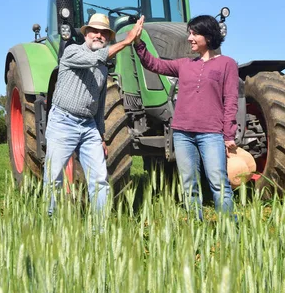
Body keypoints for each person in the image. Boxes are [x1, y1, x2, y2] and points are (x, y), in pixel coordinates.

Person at [133, 14, 239, 220]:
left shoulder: (227, 64)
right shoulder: (184, 64)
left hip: (211, 133)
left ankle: (228, 227)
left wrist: (229, 135)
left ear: (208, 36)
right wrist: (138, 42)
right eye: (189, 33)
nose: (189, 38)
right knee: (189, 182)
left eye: (194, 34)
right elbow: (154, 65)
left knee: (218, 181)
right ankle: (195, 226)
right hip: (182, 133)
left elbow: (231, 101)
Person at [44, 13, 141, 216]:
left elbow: (99, 104)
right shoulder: (72, 51)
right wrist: (128, 41)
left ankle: (100, 231)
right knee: (54, 178)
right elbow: (96, 57)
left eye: (104, 33)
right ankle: (49, 224)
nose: (99, 35)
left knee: (99, 180)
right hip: (63, 121)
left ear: (107, 37)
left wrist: (101, 135)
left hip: (88, 127)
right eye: (94, 31)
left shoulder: (103, 70)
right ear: (86, 33)